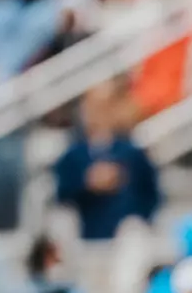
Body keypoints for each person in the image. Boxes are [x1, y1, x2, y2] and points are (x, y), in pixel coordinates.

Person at [53, 84, 162, 240]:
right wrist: (87, 183)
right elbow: (61, 195)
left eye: (103, 107)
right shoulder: (72, 156)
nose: (97, 114)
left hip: (124, 240)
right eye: (92, 107)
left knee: (134, 229)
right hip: (86, 234)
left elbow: (151, 196)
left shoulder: (132, 153)